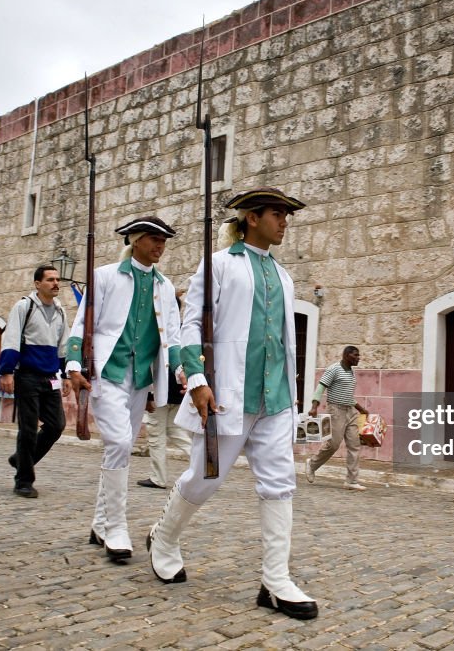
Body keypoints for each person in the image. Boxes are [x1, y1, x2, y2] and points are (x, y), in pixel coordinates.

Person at [147, 187, 318, 620]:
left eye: (286, 214)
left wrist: (294, 398)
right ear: (252, 218)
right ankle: (164, 537)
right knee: (206, 477)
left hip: (275, 398)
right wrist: (198, 380)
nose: (284, 222)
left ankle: (275, 580)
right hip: (227, 398)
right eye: (277, 214)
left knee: (280, 484)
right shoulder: (219, 264)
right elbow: (190, 325)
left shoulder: (283, 276)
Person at [67, 216, 181, 562]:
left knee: (121, 447)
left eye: (163, 241)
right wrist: (73, 365)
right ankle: (116, 527)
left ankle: (100, 523)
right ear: (134, 240)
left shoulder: (165, 287)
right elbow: (83, 324)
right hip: (108, 372)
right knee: (118, 442)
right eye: (153, 239)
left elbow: (172, 338)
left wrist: (182, 371)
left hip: (140, 379)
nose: (159, 246)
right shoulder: (104, 277)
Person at [0, 265, 72, 499]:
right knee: (28, 429)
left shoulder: (61, 312)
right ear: (37, 284)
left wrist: (66, 375)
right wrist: (7, 371)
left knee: (56, 425)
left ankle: (21, 460)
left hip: (51, 378)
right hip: (27, 376)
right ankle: (23, 481)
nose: (55, 283)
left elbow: (63, 346)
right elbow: (11, 339)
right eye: (50, 279)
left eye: (57, 279)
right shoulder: (24, 307)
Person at [138, 292, 192, 490]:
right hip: (178, 390)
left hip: (161, 390)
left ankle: (158, 477)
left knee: (156, 434)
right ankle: (206, 465)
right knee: (175, 430)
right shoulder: (184, 329)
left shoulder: (155, 332)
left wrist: (149, 393)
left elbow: (151, 365)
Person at [304, 346, 370, 490]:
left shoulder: (351, 372)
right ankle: (312, 464)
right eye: (355, 355)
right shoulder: (333, 369)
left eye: (358, 355)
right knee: (333, 445)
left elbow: (347, 396)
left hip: (350, 412)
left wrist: (361, 409)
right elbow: (321, 387)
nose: (358, 358)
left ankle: (351, 481)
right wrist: (314, 406)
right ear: (346, 355)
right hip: (336, 411)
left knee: (354, 445)